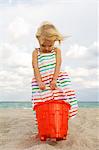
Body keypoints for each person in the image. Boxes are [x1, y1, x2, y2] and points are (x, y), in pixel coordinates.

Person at [31, 21, 78, 120]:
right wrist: (39, 81)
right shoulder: (36, 52)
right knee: (42, 102)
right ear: (38, 40)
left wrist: (54, 80)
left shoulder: (57, 51)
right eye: (43, 45)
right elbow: (35, 67)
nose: (47, 48)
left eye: (50, 45)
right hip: (41, 80)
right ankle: (43, 126)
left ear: (55, 41)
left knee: (61, 100)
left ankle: (61, 122)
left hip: (57, 79)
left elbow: (58, 65)